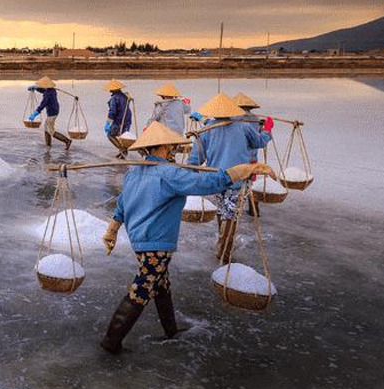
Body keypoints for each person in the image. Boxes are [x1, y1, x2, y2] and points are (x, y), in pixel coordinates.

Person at [99, 122, 275, 353]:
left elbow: (122, 205)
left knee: (160, 283)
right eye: (171, 147)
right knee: (142, 289)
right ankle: (111, 342)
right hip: (156, 242)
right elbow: (204, 183)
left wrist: (112, 229)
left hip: (140, 239)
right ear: (162, 148)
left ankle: (170, 329)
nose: (173, 151)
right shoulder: (169, 173)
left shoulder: (134, 172)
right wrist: (242, 170)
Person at [185, 93, 273, 263]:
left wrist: (191, 173)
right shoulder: (243, 126)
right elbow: (259, 142)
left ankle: (222, 242)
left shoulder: (208, 127)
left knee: (223, 209)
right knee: (231, 214)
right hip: (237, 177)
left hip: (216, 178)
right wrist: (268, 131)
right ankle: (225, 249)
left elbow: (196, 157)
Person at [26, 76, 72, 150]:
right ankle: (48, 145)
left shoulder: (48, 94)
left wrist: (36, 112)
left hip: (52, 112)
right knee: (46, 129)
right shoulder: (51, 90)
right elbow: (43, 91)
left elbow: (43, 104)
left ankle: (67, 141)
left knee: (51, 130)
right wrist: (36, 88)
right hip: (54, 110)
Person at [104, 80, 133, 159]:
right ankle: (122, 151)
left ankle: (122, 150)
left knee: (110, 135)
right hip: (127, 119)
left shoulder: (114, 98)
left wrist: (108, 123)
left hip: (119, 120)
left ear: (113, 89)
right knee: (122, 136)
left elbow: (112, 112)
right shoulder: (125, 96)